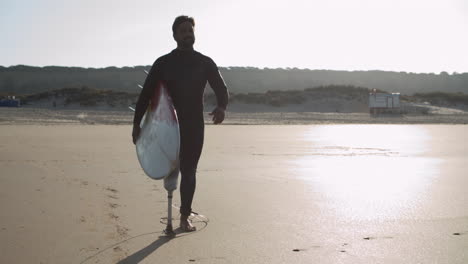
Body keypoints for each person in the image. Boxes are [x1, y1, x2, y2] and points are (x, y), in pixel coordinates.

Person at [132, 15, 229, 232]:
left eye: (190, 30)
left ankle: (184, 217)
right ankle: (173, 215)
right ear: (175, 36)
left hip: (193, 125)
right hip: (167, 126)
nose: (187, 34)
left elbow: (221, 88)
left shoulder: (204, 62)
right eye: (183, 31)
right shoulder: (163, 63)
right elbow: (146, 94)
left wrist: (222, 107)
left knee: (189, 170)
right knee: (170, 170)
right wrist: (136, 123)